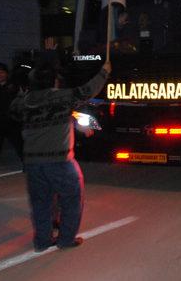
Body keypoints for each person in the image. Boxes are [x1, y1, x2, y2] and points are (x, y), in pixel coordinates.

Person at [10, 61, 111, 252]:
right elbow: (88, 90)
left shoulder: (23, 102)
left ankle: (42, 241)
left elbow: (15, 111)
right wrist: (104, 72)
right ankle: (65, 239)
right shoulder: (63, 97)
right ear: (54, 81)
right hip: (59, 162)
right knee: (72, 200)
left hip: (32, 164)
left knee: (41, 204)